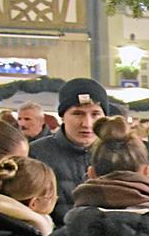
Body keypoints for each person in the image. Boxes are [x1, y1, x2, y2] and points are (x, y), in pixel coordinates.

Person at [30, 77, 108, 225]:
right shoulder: (35, 154)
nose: (87, 124)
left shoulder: (118, 155)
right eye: (77, 113)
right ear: (62, 116)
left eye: (95, 114)